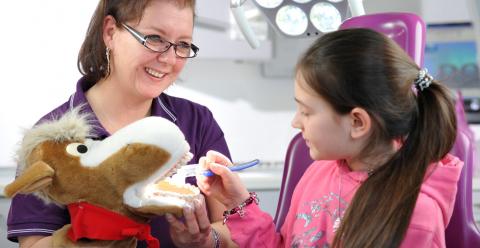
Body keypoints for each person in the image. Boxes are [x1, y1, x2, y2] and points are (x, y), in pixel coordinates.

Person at [195, 28, 464, 247]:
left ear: (357, 122)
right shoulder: (319, 173)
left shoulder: (415, 217)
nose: (295, 122)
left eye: (306, 111)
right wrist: (237, 202)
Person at [7, 0, 236, 247]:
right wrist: (103, 228)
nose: (169, 59)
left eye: (182, 44)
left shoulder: (197, 122)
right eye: (155, 38)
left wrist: (206, 241)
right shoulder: (52, 140)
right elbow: (32, 244)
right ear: (110, 32)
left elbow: (234, 231)